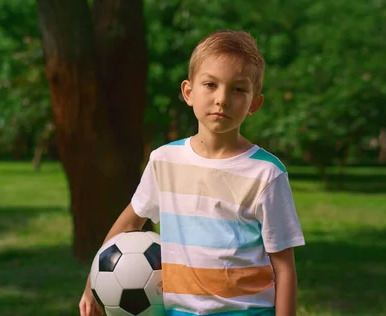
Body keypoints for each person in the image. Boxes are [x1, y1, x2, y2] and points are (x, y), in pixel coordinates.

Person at [79, 29, 305, 316]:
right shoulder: (165, 161)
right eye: (210, 84)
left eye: (238, 89)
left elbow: (284, 267)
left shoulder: (266, 174)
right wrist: (93, 284)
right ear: (188, 92)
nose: (222, 98)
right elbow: (128, 225)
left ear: (254, 103)